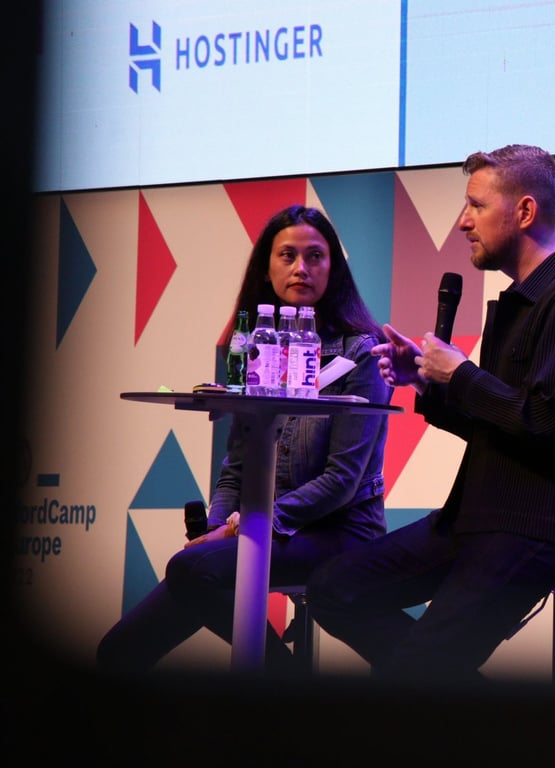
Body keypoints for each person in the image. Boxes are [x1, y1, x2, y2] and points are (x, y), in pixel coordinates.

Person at [305, 144, 555, 685]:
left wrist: (460, 374)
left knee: (418, 670)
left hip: (543, 527)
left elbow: (545, 423)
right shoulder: (524, 301)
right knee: (332, 590)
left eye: (476, 205)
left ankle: (430, 684)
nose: (462, 222)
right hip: (480, 517)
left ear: (524, 212)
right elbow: (500, 424)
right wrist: (428, 383)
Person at [96, 204, 392, 676]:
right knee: (116, 653)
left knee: (192, 571)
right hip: (257, 528)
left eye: (315, 256)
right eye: (288, 255)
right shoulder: (252, 346)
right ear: (267, 267)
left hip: (339, 534)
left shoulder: (362, 352)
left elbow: (342, 481)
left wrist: (240, 528)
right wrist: (216, 526)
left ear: (333, 267)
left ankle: (286, 692)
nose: (301, 268)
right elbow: (236, 468)